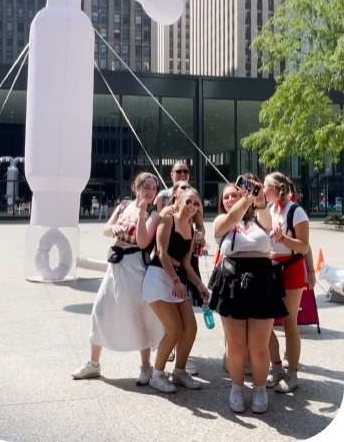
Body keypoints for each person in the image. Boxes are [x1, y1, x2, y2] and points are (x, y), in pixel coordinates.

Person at [71, 173, 164, 386]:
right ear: (136, 187)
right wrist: (112, 228)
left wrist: (142, 216)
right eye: (146, 187)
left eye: (154, 188)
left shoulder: (153, 213)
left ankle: (145, 366)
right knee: (101, 309)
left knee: (139, 314)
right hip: (116, 264)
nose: (150, 191)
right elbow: (106, 229)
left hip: (136, 265)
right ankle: (94, 363)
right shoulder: (123, 205)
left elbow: (143, 242)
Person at [209, 183, 288, 414]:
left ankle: (260, 388)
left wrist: (258, 200)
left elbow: (266, 218)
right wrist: (244, 200)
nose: (232, 198)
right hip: (232, 280)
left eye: (236, 194)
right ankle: (236, 388)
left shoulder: (260, 220)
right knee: (235, 344)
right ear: (222, 202)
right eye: (227, 196)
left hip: (262, 280)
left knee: (259, 346)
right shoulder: (221, 222)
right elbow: (232, 219)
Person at [143, 188, 210, 393]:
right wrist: (175, 280)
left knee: (190, 328)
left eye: (196, 204)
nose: (192, 206)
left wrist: (200, 286)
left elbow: (187, 265)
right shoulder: (168, 220)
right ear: (178, 201)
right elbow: (161, 253)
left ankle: (179, 372)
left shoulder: (190, 227)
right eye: (189, 201)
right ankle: (157, 375)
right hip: (159, 277)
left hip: (178, 280)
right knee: (174, 330)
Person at [263, 172, 310, 393]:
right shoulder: (268, 211)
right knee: (266, 322)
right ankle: (277, 366)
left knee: (290, 323)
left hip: (291, 268)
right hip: (270, 268)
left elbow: (303, 247)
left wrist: (283, 238)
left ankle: (293, 373)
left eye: (265, 187)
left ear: (276, 189)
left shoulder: (295, 211)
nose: (262, 191)